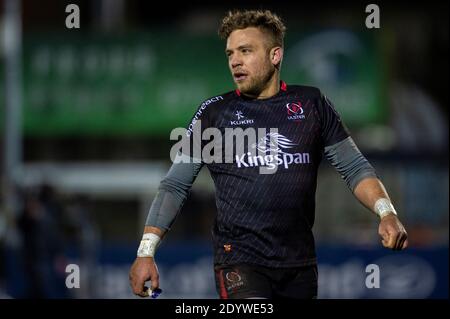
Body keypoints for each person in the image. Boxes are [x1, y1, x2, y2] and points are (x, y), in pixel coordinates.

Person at [129, 9, 408, 299]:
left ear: (275, 56)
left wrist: (386, 213)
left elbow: (354, 167)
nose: (235, 61)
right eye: (230, 54)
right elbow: (175, 184)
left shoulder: (312, 104)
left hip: (299, 263)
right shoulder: (214, 114)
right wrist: (146, 252)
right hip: (239, 261)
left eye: (246, 51)